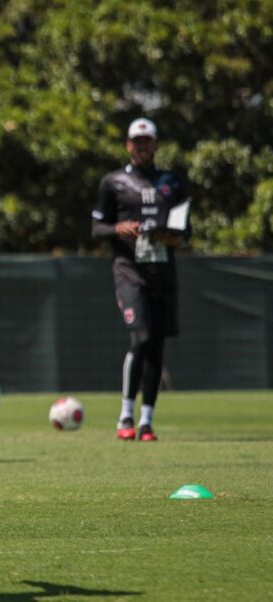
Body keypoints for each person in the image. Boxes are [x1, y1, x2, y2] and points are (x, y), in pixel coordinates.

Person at [91, 118, 189, 442]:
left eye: (147, 140)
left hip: (163, 270)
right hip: (129, 270)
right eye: (137, 141)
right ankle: (125, 415)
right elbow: (96, 228)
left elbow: (184, 231)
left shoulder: (172, 182)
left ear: (155, 144)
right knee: (141, 338)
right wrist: (118, 229)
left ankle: (146, 421)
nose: (142, 146)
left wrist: (167, 236)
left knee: (157, 343)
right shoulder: (113, 182)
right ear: (128, 145)